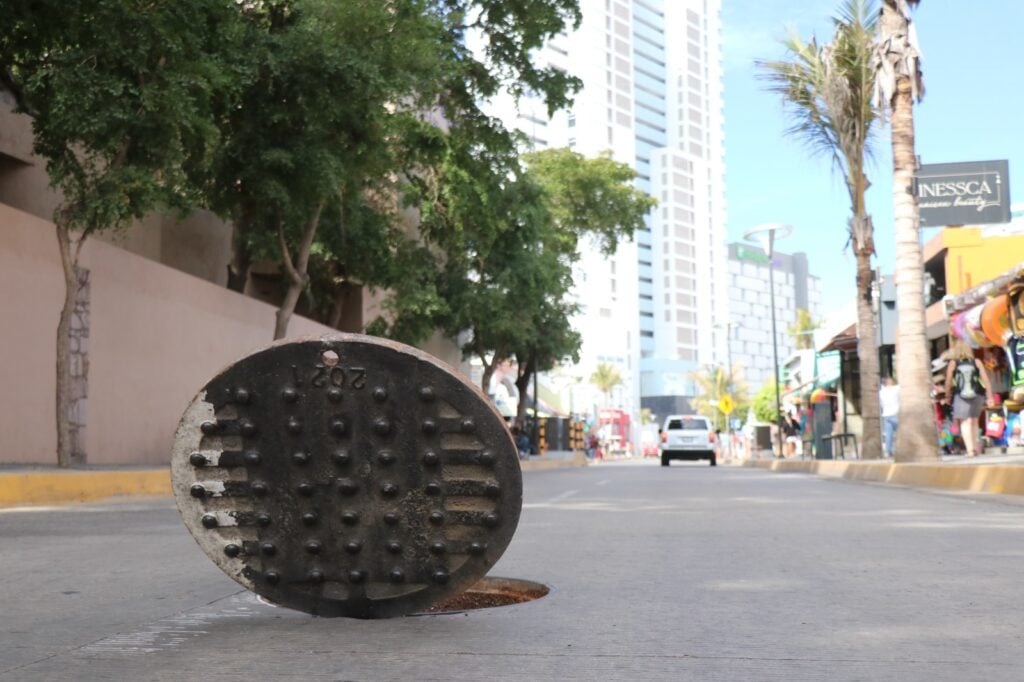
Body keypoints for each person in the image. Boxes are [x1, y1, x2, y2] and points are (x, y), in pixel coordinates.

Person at [943, 340, 994, 458]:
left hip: (961, 395)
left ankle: (970, 450)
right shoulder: (977, 362)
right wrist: (990, 396)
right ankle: (975, 447)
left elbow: (948, 382)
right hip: (977, 394)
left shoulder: (953, 363)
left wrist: (947, 396)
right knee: (974, 420)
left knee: (965, 422)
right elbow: (986, 380)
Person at [879, 376, 900, 458]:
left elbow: (881, 404)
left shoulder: (881, 392)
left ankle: (888, 451)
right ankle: (900, 449)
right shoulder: (895, 389)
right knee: (901, 432)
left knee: (889, 435)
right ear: (889, 382)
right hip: (895, 414)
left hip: (886, 415)